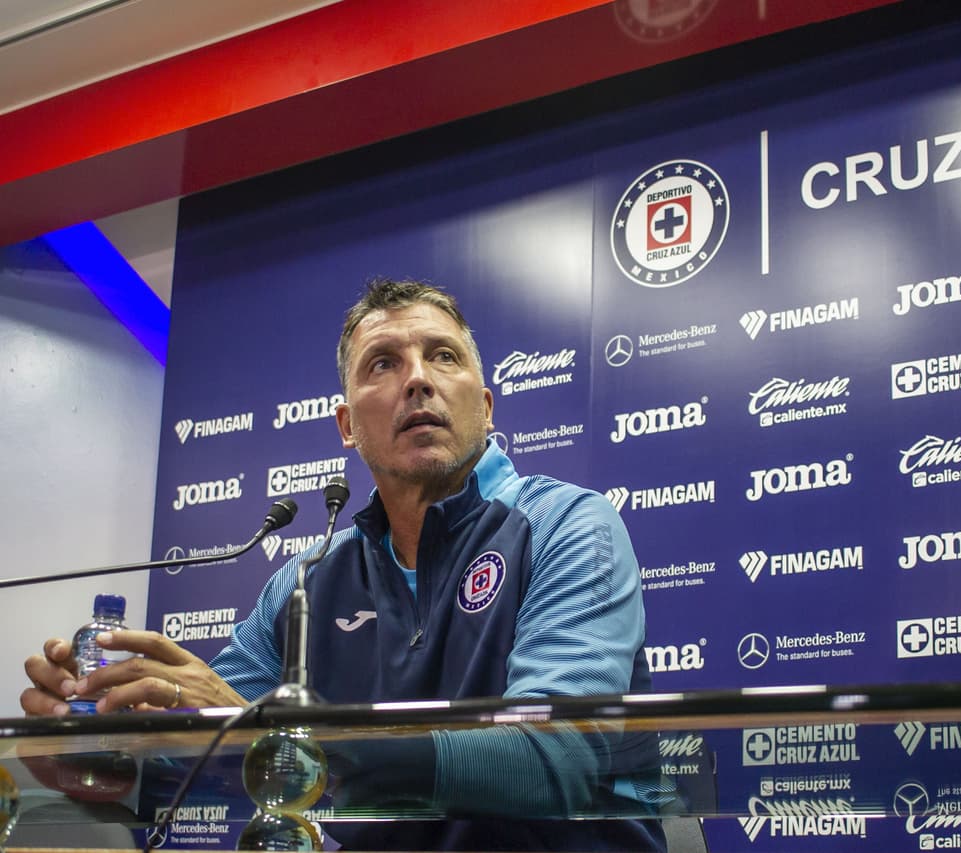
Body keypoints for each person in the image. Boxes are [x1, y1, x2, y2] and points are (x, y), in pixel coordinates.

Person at [23, 278, 667, 851]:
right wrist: (98, 758)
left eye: (443, 356)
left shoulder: (567, 524)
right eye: (383, 364)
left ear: (487, 406)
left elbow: (551, 760)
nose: (418, 379)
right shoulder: (305, 580)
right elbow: (197, 758)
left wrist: (274, 738)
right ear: (347, 427)